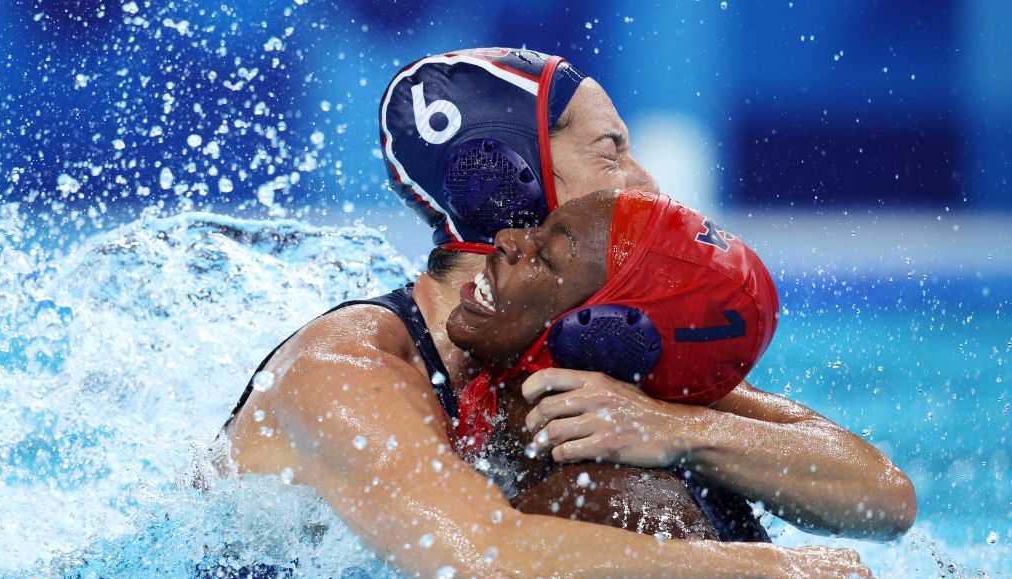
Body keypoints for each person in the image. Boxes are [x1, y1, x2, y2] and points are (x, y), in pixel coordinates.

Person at [378, 47, 916, 540]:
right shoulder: (372, 364)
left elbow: (886, 498)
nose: (647, 183)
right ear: (516, 181)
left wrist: (675, 429)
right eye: (610, 154)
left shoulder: (609, 356)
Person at [221, 191, 872, 577]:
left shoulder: (599, 381)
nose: (505, 239)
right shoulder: (349, 371)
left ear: (600, 330)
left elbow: (882, 494)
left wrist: (680, 430)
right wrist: (771, 569)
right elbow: (481, 559)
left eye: (545, 250)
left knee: (652, 493)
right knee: (628, 505)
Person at [450, 188, 778, 543]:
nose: (508, 239)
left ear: (601, 342)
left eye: (544, 255)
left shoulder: (610, 506)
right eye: (538, 229)